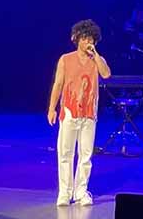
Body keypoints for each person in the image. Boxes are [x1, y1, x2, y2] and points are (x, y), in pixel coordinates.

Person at [47, 19, 111, 207]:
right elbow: (58, 84)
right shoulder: (66, 59)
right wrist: (52, 108)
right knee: (65, 153)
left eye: (91, 39)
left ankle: (81, 192)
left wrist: (96, 55)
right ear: (77, 39)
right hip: (69, 111)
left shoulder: (97, 60)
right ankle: (64, 193)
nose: (87, 42)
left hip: (89, 113)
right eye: (84, 38)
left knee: (85, 155)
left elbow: (106, 74)